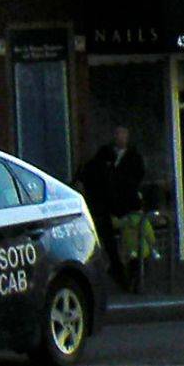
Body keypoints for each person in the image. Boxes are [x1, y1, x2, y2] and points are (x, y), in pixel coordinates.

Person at [78, 124, 150, 291]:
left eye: (123, 135)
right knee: (111, 244)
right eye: (118, 134)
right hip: (106, 208)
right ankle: (120, 275)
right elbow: (90, 174)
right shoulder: (103, 156)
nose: (120, 138)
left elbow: (138, 176)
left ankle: (132, 277)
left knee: (132, 243)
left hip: (126, 206)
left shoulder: (133, 157)